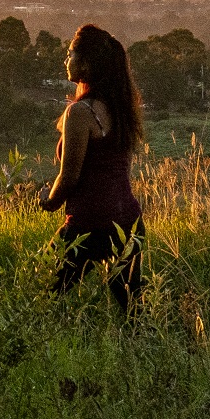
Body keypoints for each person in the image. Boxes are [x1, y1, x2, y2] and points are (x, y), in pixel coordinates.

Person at [40, 23, 145, 306]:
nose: (66, 60)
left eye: (71, 54)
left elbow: (70, 177)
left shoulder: (80, 113)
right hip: (129, 221)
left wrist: (49, 200)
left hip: (90, 224)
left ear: (86, 64)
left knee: (40, 294)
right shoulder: (121, 109)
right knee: (133, 311)